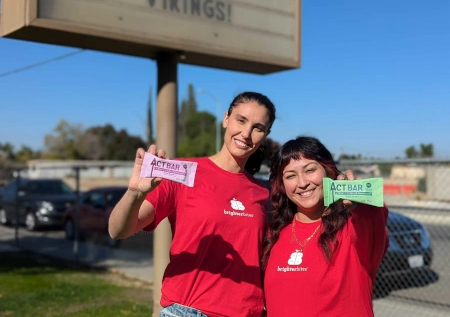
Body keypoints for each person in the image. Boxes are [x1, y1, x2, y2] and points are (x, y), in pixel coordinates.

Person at [109, 92, 276, 317]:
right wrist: (134, 194)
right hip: (187, 311)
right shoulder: (183, 172)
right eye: (241, 120)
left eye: (257, 128)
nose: (246, 133)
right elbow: (118, 230)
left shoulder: (263, 192)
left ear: (266, 134)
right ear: (226, 118)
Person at [262, 136, 388, 317]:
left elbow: (374, 215)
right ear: (281, 185)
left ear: (328, 171)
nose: (302, 183)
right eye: (290, 176)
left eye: (310, 170)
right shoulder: (273, 234)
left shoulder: (352, 230)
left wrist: (358, 201)